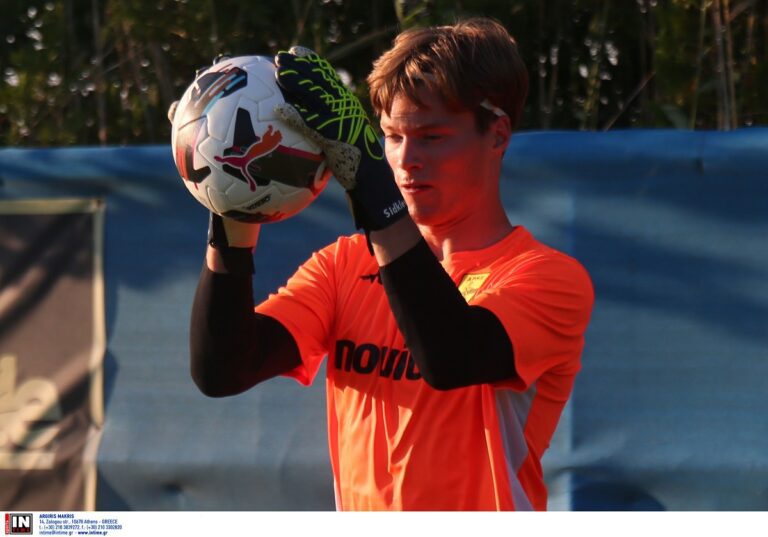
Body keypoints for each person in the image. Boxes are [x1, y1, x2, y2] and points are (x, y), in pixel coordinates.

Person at [185, 17, 594, 511]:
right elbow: (224, 370)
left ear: (498, 133)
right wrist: (231, 203)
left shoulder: (549, 278)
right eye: (391, 137)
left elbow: (449, 357)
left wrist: (371, 185)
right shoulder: (343, 264)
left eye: (431, 137)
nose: (405, 159)